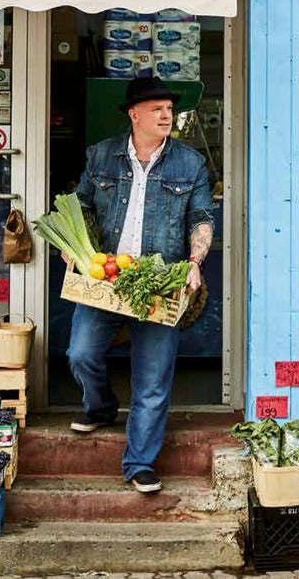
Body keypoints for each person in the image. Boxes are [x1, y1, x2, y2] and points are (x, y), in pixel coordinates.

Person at [64, 76, 213, 494]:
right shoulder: (101, 157)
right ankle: (101, 406)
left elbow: (201, 218)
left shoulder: (190, 164)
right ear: (134, 114)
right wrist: (72, 245)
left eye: (169, 109)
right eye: (157, 109)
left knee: (153, 376)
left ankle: (140, 463)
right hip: (107, 274)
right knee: (80, 353)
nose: (167, 115)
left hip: (158, 281)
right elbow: (82, 207)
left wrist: (194, 262)